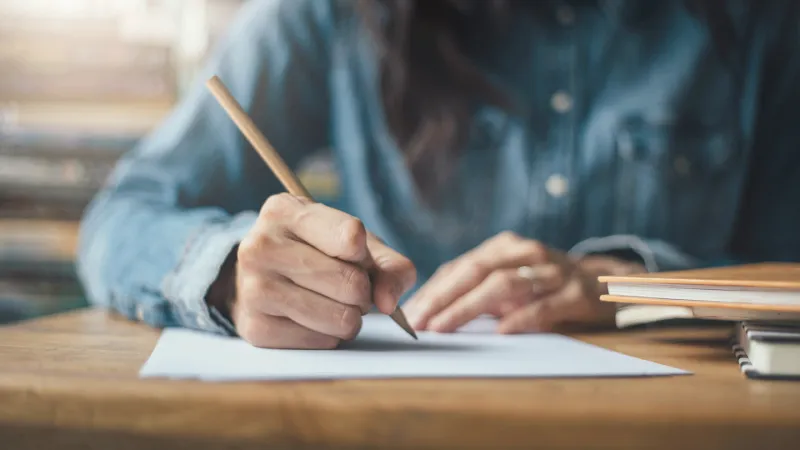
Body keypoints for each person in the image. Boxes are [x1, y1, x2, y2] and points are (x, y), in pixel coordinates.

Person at [77, 0, 800, 349]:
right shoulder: (327, 17)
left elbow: (789, 276)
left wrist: (629, 289)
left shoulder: (762, 25)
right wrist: (231, 272)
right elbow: (123, 216)